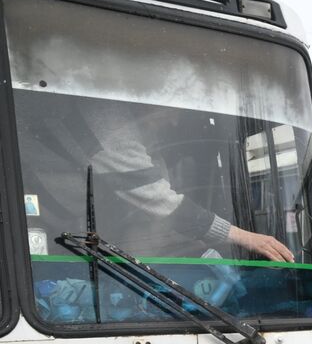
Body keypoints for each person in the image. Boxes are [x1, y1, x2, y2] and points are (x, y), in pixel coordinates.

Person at [21, 99, 292, 262]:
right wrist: (245, 237)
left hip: (75, 232)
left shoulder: (147, 143)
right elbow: (166, 205)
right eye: (170, 108)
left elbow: (164, 213)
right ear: (139, 98)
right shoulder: (107, 124)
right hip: (35, 229)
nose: (174, 121)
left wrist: (202, 250)